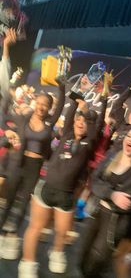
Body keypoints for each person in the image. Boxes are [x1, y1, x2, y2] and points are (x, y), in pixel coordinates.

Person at [18, 94, 107, 278]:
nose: (81, 122)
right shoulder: (65, 132)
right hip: (46, 189)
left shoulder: (88, 143)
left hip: (66, 196)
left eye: (85, 121)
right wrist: (76, 102)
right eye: (78, 120)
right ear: (73, 122)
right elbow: (70, 111)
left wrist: (97, 103)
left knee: (62, 232)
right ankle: (27, 262)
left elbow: (96, 125)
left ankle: (56, 252)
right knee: (35, 227)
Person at [0, 80, 65, 260]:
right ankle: (0, 233)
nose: (42, 107)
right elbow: (3, 116)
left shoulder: (50, 123)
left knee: (23, 204)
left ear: (49, 108)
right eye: (40, 103)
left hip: (34, 167)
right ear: (35, 102)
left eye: (46, 105)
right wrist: (6, 132)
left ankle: (12, 237)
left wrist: (62, 87)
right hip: (17, 163)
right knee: (10, 199)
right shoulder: (23, 117)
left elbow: (60, 108)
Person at [77, 128, 131, 278]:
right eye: (129, 136)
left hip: (114, 219)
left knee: (98, 257)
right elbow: (95, 180)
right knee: (83, 249)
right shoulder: (112, 155)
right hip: (96, 209)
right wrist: (112, 193)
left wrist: (105, 191)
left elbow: (125, 198)